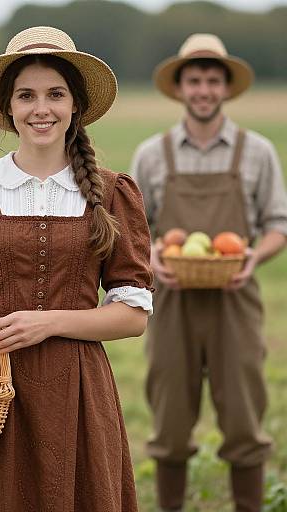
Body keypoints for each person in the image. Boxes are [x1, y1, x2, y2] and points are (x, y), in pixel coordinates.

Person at [0, 26, 154, 511]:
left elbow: (132, 317)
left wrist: (47, 322)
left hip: (78, 387)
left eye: (55, 94)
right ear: (9, 107)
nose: (40, 108)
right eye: (26, 95)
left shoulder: (111, 193)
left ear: (75, 106)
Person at [131, 33, 287, 512]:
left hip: (236, 303)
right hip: (172, 304)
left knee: (244, 419)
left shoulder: (257, 151)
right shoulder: (152, 155)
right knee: (170, 422)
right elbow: (135, 233)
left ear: (226, 88)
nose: (203, 89)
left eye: (212, 81)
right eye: (194, 80)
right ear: (179, 88)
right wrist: (155, 260)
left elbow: (278, 225)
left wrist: (252, 259)